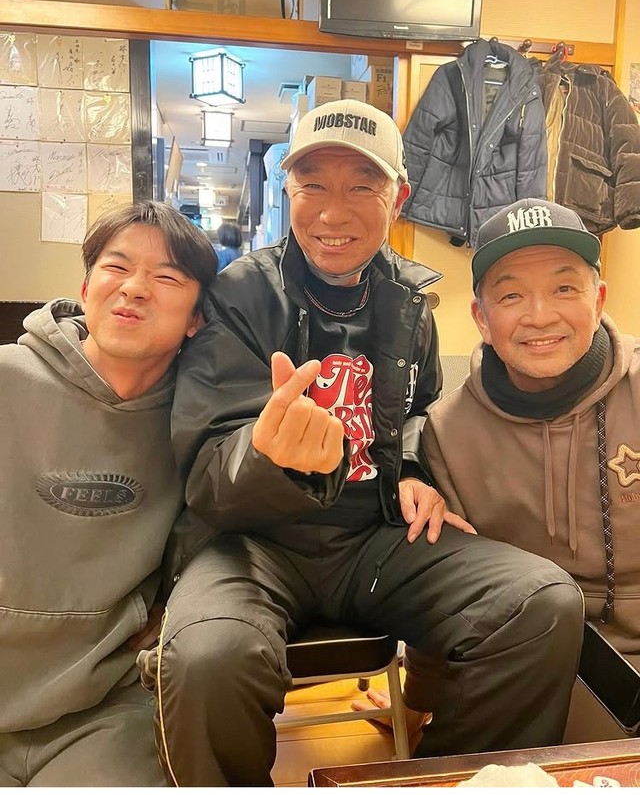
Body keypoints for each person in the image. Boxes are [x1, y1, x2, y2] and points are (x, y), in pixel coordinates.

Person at [141, 100, 584, 787]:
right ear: (287, 190)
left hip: (374, 538)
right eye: (313, 184)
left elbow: (420, 410)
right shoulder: (239, 294)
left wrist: (409, 467)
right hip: (252, 543)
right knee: (207, 655)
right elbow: (205, 473)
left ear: (397, 198)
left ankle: (448, 782)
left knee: (540, 602)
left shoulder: (411, 301)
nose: (333, 211)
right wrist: (269, 455)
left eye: (361, 186)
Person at [0, 201, 216, 786]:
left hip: (106, 706)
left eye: (167, 277)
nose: (135, 289)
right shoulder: (8, 379)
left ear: (197, 318)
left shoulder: (200, 420)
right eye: (116, 267)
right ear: (85, 288)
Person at [422, 197, 640, 666]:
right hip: (527, 666)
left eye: (564, 288)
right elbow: (451, 593)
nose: (540, 315)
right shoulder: (448, 432)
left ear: (598, 301)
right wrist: (420, 697)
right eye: (511, 296)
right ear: (481, 318)